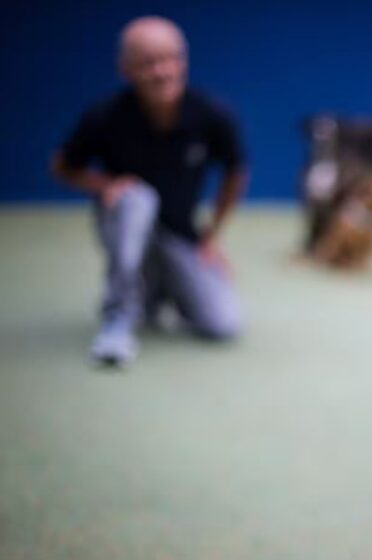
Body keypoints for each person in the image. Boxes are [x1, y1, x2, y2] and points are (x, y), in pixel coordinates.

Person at [51, 16, 248, 365]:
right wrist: (106, 184)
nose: (162, 71)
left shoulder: (211, 114)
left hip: (178, 233)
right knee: (138, 199)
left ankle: (156, 294)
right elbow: (62, 166)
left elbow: (236, 170)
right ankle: (117, 318)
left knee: (223, 324)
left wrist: (211, 238)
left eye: (170, 59)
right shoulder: (106, 115)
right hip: (124, 222)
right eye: (147, 63)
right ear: (125, 69)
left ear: (183, 62)